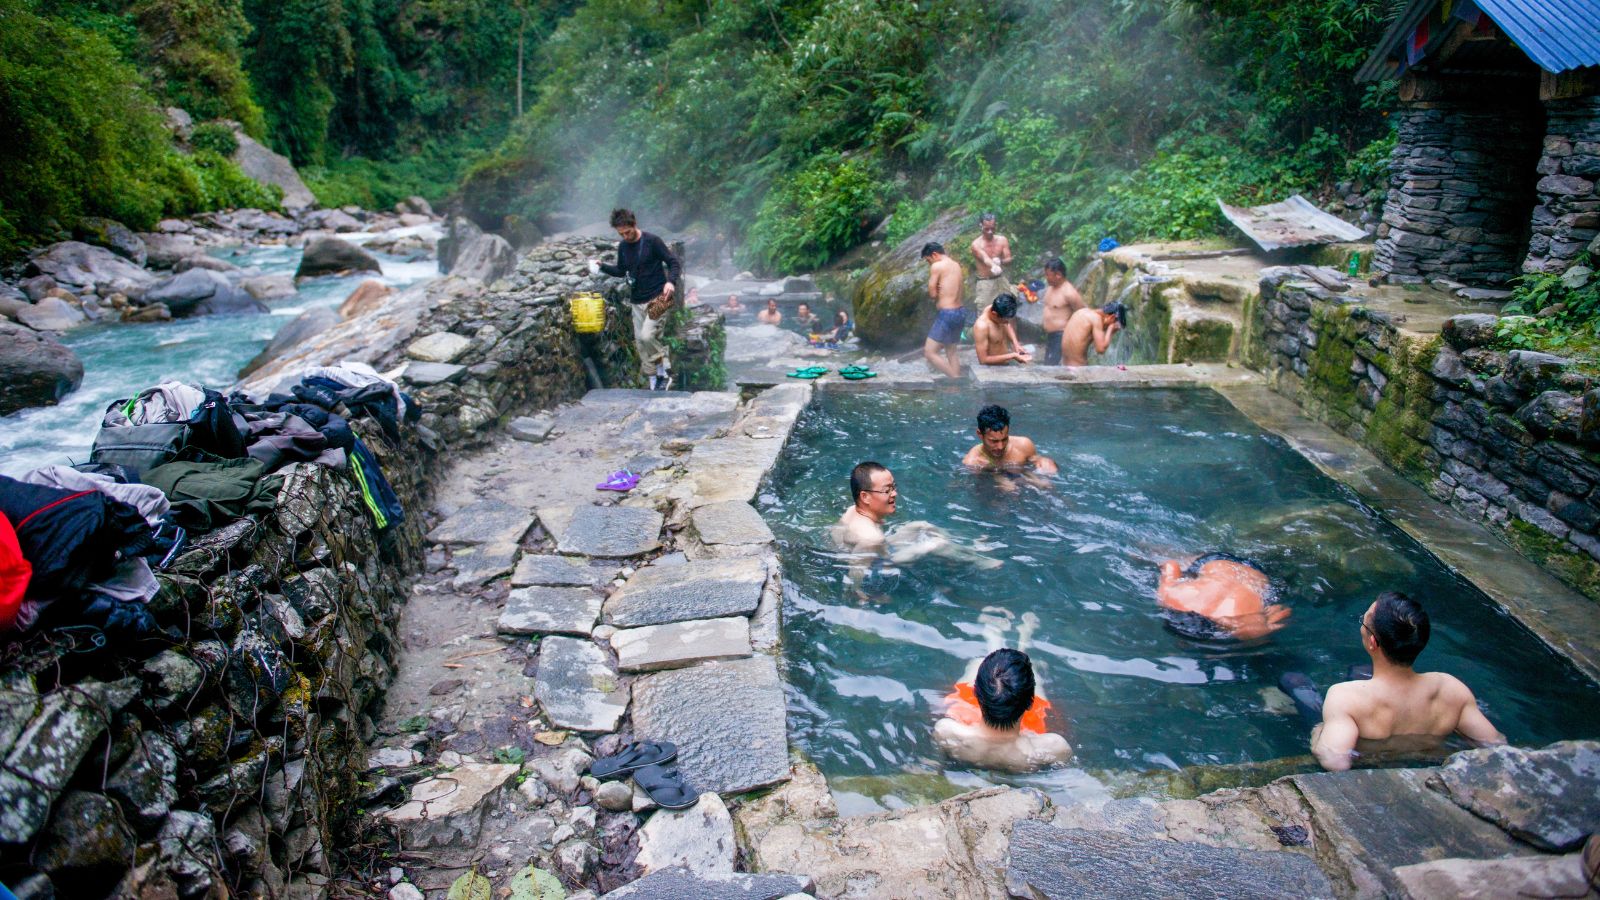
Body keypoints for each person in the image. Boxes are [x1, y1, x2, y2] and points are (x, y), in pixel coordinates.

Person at [1294, 592, 1504, 772]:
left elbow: (1336, 761)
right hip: (1425, 753)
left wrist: (1319, 731)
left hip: (1371, 762)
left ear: (1372, 641)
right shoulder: (1450, 688)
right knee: (1358, 672)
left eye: (1363, 621)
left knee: (1293, 682)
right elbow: (1495, 745)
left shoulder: (1345, 697)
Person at [832, 462, 1000, 599]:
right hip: (880, 563)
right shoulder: (871, 537)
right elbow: (857, 566)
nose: (895, 493)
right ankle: (980, 561)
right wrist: (856, 592)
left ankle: (968, 547)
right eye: (887, 490)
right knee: (935, 544)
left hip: (875, 552)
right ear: (865, 497)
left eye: (894, 487)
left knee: (922, 526)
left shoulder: (853, 510)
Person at [935, 622, 1072, 771]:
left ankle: (993, 640)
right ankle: (1023, 644)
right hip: (1022, 734)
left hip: (975, 719)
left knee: (977, 664)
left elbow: (939, 764)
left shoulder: (947, 732)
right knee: (1031, 678)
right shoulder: (1053, 748)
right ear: (1031, 704)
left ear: (974, 695)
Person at [590, 209, 682, 390]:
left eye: (628, 232)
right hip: (637, 300)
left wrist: (670, 282)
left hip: (660, 297)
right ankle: (654, 380)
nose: (625, 236)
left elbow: (673, 262)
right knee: (640, 342)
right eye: (621, 234)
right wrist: (602, 267)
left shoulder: (652, 241)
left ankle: (664, 368)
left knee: (647, 336)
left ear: (634, 224)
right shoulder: (623, 247)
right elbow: (620, 270)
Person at [1156, 553, 1291, 641]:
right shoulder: (1171, 598)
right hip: (1216, 560)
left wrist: (1259, 619)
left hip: (1260, 574)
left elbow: (1283, 610)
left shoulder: (1248, 628)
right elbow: (1170, 564)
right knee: (1171, 559)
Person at [962, 405, 1057, 475]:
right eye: (994, 441)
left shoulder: (1024, 445)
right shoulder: (973, 462)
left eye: (1004, 439)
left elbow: (1035, 460)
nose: (1000, 446)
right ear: (980, 435)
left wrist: (1044, 461)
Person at [921, 242, 965, 378]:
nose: (929, 264)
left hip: (947, 314)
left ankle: (955, 379)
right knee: (951, 350)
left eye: (928, 261)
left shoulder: (937, 266)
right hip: (960, 311)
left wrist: (935, 288)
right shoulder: (956, 265)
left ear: (934, 255)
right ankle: (955, 389)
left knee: (929, 352)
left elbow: (932, 294)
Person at [1039, 258, 1085, 366]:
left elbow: (1082, 313)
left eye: (1047, 275)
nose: (1046, 278)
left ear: (1058, 275)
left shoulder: (1069, 293)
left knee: (1051, 368)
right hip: (1051, 336)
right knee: (1048, 366)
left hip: (1061, 336)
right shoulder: (1051, 288)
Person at [969, 212, 1013, 316]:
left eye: (992, 228)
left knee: (1009, 312)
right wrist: (993, 265)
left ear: (996, 225)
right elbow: (984, 258)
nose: (990, 232)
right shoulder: (976, 244)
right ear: (981, 226)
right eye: (986, 229)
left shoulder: (1002, 240)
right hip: (985, 283)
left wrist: (1001, 261)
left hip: (1001, 280)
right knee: (985, 315)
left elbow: (1009, 259)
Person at [972, 294, 1032, 366]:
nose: (1007, 323)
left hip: (1005, 363)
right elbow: (983, 360)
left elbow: (1007, 324)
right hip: (991, 369)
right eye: (1005, 321)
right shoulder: (981, 326)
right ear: (994, 314)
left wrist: (1016, 344)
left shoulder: (999, 307)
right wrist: (1013, 355)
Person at [1061, 301, 1126, 367]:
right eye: (1114, 324)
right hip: (1078, 368)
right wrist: (1111, 330)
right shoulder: (1096, 319)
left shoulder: (1082, 312)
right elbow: (1101, 349)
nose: (1106, 328)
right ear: (1112, 317)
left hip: (1065, 365)